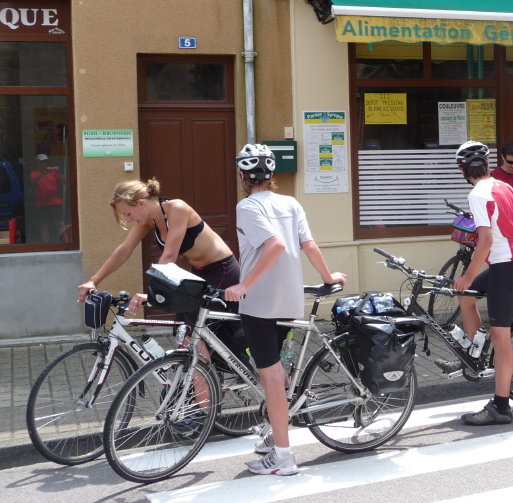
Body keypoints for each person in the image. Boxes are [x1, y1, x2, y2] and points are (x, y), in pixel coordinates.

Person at [224, 143, 347, 476]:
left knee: (272, 378)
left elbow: (275, 245)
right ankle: (274, 432)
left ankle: (283, 457)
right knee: (277, 373)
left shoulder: (247, 206)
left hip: (260, 303)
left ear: (242, 176)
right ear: (271, 174)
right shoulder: (290, 203)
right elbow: (308, 244)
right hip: (289, 299)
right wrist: (328, 277)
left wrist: (243, 285)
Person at [77, 179, 248, 366]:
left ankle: (205, 380)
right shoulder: (148, 220)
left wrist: (152, 293)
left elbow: (169, 256)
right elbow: (124, 250)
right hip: (198, 272)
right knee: (183, 330)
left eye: (128, 213)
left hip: (222, 270)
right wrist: (94, 280)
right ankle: (199, 379)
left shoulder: (178, 209)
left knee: (196, 331)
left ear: (141, 203)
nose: (128, 219)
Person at [450, 141, 513, 425]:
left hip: (505, 267)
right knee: (466, 298)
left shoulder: (477, 194)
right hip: (511, 264)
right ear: (488, 165)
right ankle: (475, 352)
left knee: (501, 338)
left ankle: (501, 407)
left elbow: (486, 240)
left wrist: (467, 275)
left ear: (463, 171)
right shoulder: (503, 187)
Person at [30, 154, 65, 242]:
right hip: (42, 203)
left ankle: (65, 243)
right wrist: (44, 172)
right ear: (37, 162)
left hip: (55, 201)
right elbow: (33, 180)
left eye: (45, 161)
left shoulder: (53, 173)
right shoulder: (34, 173)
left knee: (60, 223)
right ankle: (46, 245)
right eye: (42, 162)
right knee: (44, 224)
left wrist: (59, 172)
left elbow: (64, 181)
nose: (44, 163)